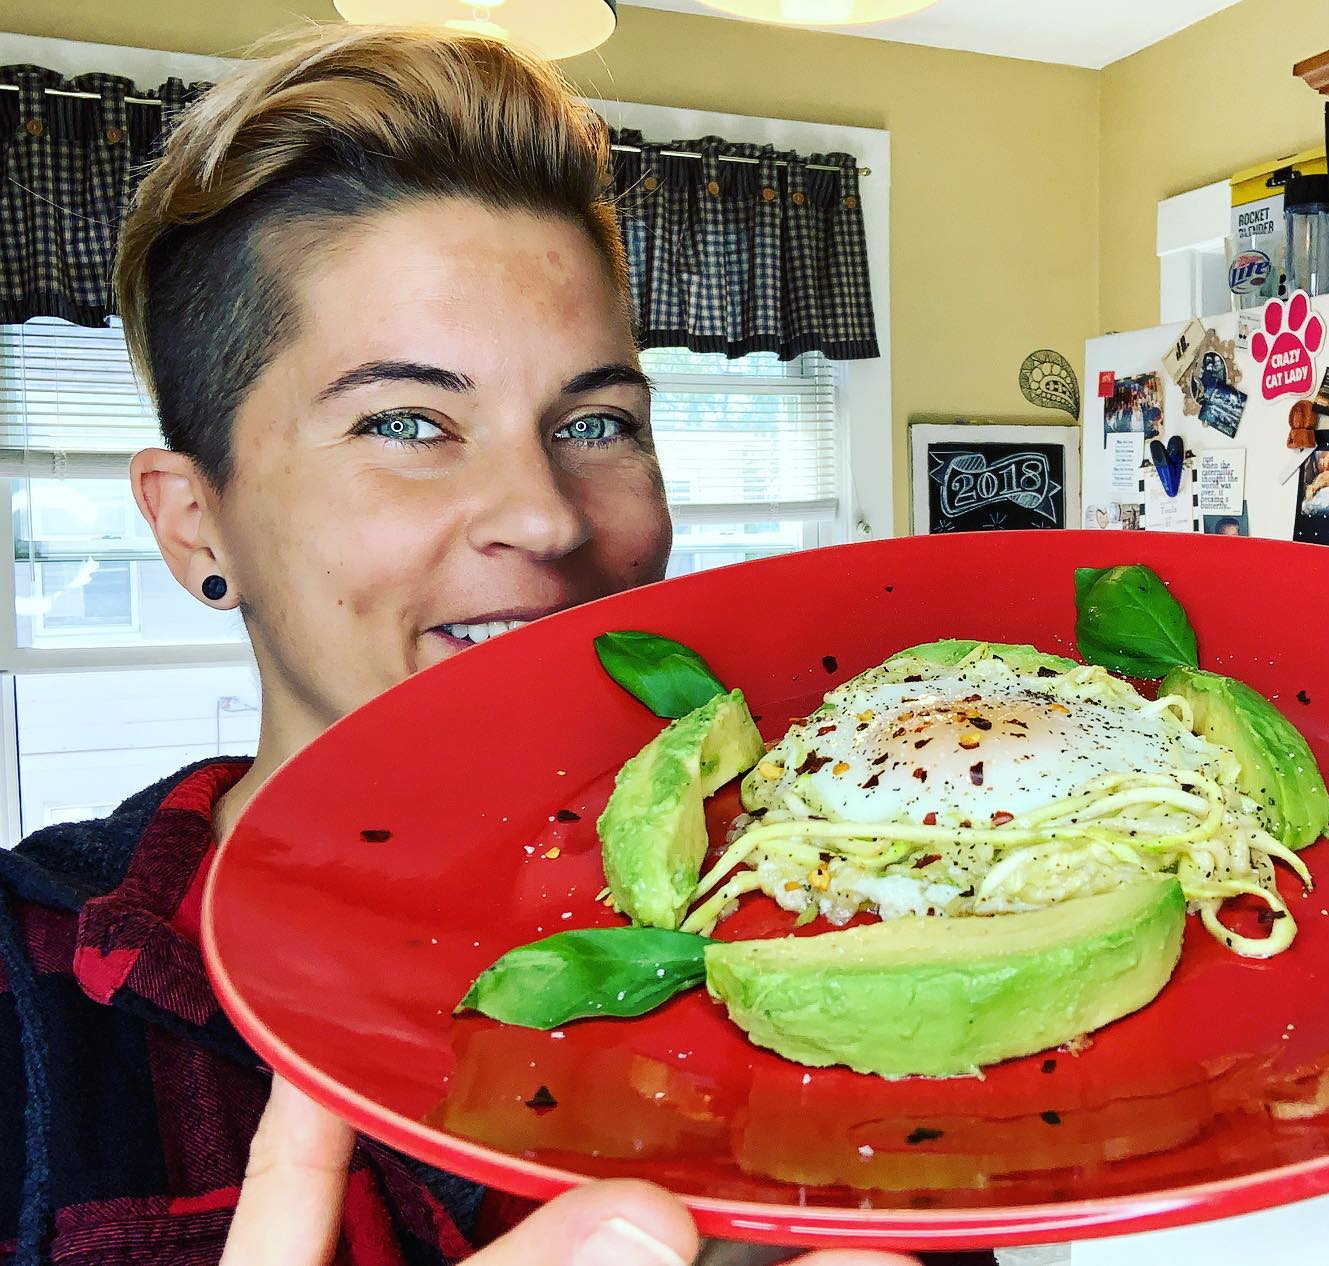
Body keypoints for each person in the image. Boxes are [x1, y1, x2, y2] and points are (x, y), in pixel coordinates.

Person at [0, 25, 939, 1266]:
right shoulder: (33, 996)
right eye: (407, 419)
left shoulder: (855, 915)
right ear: (192, 520)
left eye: (596, 422)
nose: (548, 516)